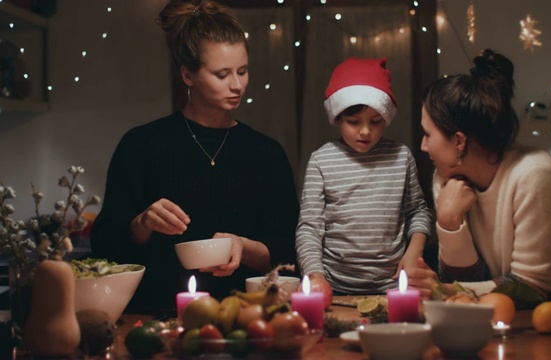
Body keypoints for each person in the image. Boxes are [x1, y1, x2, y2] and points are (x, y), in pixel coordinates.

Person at [90, 0, 299, 314]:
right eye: (222, 74)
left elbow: (288, 252)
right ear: (187, 75)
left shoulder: (266, 154)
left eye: (243, 71)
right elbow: (104, 249)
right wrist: (142, 223)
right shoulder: (141, 145)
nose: (238, 84)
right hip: (156, 317)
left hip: (247, 319)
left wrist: (242, 247)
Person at [417, 49, 551, 304]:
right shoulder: (447, 178)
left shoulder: (535, 177)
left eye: (428, 134)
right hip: (507, 316)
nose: (423, 145)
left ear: (459, 141)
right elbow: (468, 288)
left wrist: (446, 290)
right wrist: (449, 222)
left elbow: (531, 288)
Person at [296, 57, 432, 295]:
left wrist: (414, 251)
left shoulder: (401, 157)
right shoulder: (321, 161)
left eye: (376, 121)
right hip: (336, 288)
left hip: (393, 287)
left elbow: (418, 210)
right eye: (353, 122)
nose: (366, 131)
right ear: (337, 117)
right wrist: (315, 274)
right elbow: (309, 227)